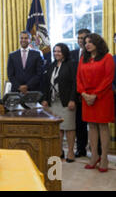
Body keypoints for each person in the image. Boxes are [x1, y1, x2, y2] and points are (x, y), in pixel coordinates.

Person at [77, 33, 115, 172]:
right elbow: (79, 78)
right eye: (85, 42)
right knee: (91, 127)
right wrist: (84, 94)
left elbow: (108, 79)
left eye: (90, 42)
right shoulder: (83, 59)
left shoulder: (107, 58)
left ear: (97, 43)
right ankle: (94, 156)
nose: (86, 44)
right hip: (86, 97)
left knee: (103, 127)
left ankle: (104, 158)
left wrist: (95, 95)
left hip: (102, 97)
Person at [41, 43, 77, 162]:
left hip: (66, 101)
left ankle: (70, 152)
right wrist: (45, 99)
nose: (56, 53)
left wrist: (73, 99)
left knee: (69, 128)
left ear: (64, 52)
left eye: (59, 51)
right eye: (55, 51)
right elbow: (46, 84)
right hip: (53, 101)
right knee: (58, 128)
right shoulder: (51, 66)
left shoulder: (71, 65)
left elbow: (74, 84)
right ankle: (60, 151)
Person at [70, 28, 91, 158]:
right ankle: (81, 149)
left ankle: (97, 150)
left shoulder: (93, 54)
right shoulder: (72, 54)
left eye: (83, 38)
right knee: (79, 123)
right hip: (76, 94)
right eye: (78, 38)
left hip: (90, 93)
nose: (80, 40)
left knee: (94, 124)